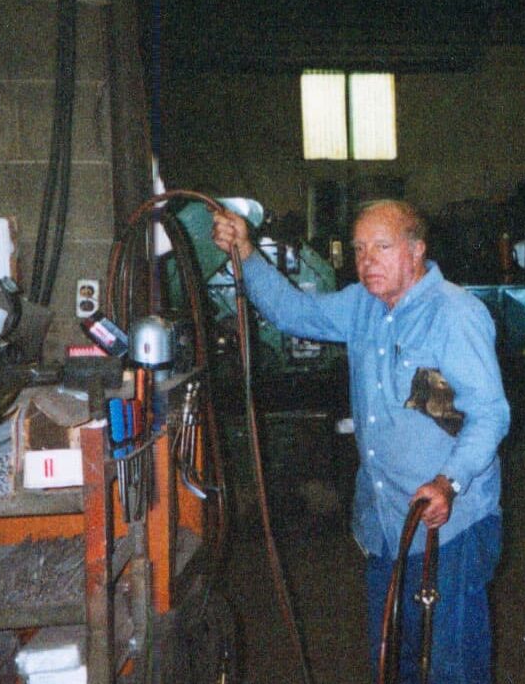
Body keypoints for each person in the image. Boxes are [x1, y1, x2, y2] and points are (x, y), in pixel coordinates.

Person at [213, 199, 509, 683]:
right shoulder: (361, 306)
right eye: (359, 249)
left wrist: (448, 483)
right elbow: (292, 311)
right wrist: (246, 254)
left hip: (447, 527)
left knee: (451, 669)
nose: (367, 260)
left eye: (382, 247)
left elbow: (490, 415)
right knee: (393, 664)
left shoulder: (454, 314)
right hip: (385, 524)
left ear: (416, 251)